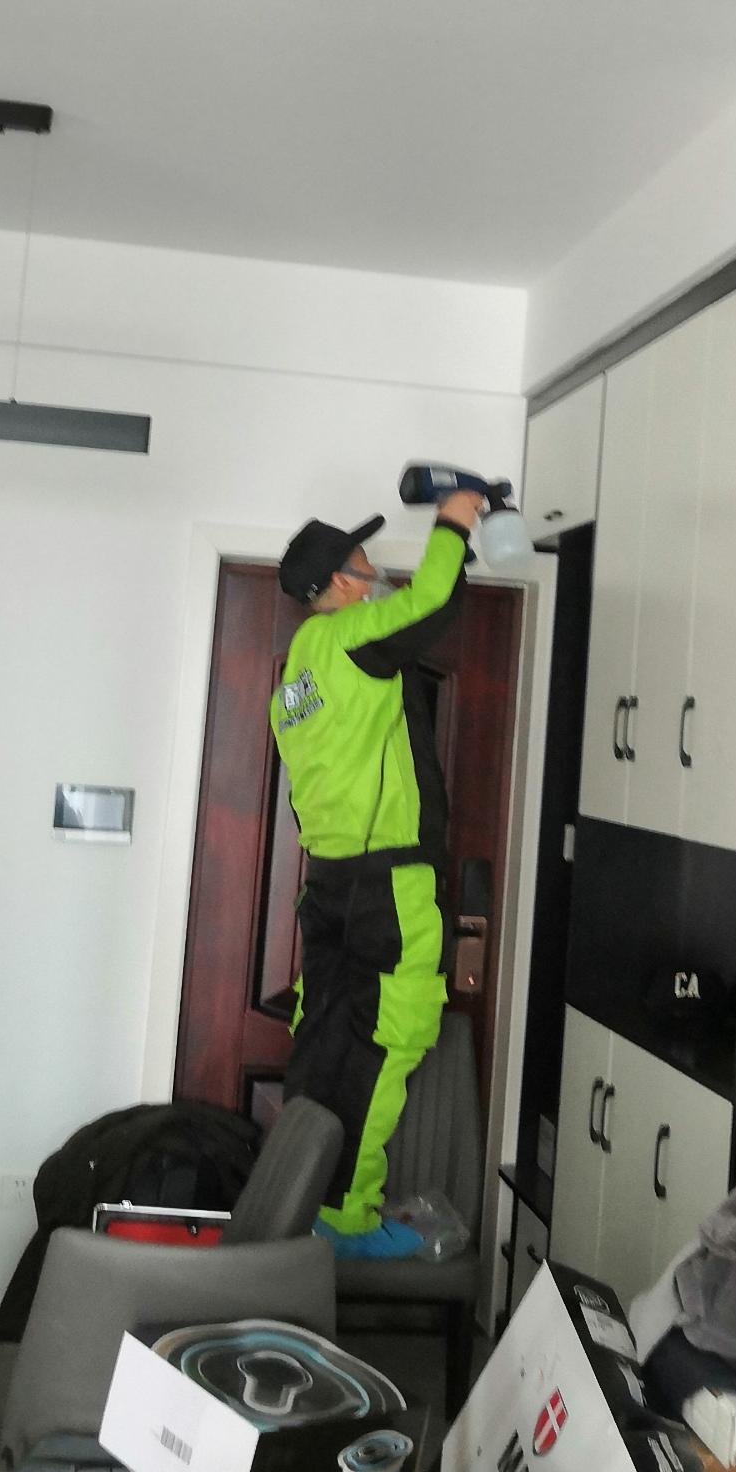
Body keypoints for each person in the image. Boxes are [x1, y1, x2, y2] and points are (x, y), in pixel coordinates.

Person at [271, 488, 485, 1259]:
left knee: (324, 1037)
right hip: (387, 883)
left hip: (331, 881)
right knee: (387, 1037)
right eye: (363, 564)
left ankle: (299, 1199)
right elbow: (431, 603)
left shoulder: (293, 679)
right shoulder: (350, 637)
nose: (373, 573)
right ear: (338, 583)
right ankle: (349, 1221)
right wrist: (454, 523)